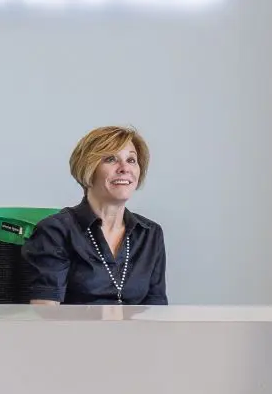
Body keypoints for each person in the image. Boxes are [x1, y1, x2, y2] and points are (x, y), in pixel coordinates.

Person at [23, 125, 169, 306]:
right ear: (88, 169)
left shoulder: (149, 234)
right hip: (73, 334)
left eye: (131, 160)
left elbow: (157, 312)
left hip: (135, 334)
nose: (125, 168)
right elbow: (45, 314)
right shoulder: (55, 232)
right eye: (111, 159)